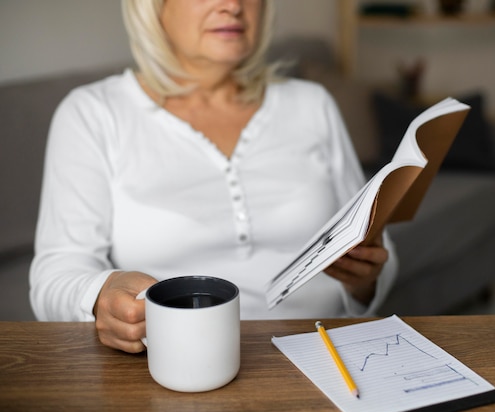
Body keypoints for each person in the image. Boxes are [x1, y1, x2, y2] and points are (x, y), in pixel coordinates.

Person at [29, 0, 398, 354]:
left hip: (325, 348)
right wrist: (99, 292)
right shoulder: (93, 114)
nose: (233, 5)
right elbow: (56, 271)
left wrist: (366, 279)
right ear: (154, 6)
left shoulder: (312, 104)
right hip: (180, 362)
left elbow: (378, 243)